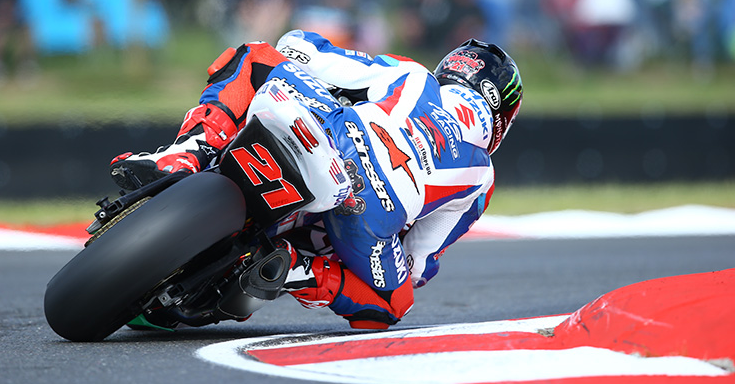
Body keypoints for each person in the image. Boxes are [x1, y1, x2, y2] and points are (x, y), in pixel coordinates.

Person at [110, 30, 522, 329]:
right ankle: (294, 268)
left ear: (449, 68)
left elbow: (302, 49)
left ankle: (185, 154)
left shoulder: (413, 75)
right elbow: (416, 265)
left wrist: (321, 74)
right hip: (367, 216)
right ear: (503, 117)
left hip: (334, 134)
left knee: (253, 55)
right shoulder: (481, 176)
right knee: (394, 303)